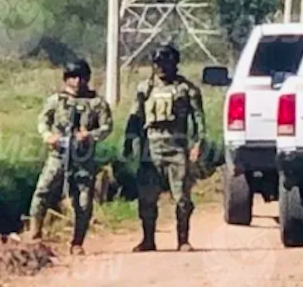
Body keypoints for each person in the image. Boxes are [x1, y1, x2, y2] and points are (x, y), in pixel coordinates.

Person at [29, 60, 113, 255]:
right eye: (73, 77)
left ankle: (77, 242)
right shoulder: (56, 100)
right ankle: (34, 234)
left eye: (81, 77)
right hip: (58, 155)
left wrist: (89, 135)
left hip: (83, 158)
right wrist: (48, 136)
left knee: (83, 200)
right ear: (66, 79)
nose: (77, 82)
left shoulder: (96, 103)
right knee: (42, 191)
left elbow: (107, 127)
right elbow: (43, 120)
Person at [127, 43, 205, 252]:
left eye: (165, 62)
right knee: (147, 198)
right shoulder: (145, 89)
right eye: (157, 63)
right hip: (150, 147)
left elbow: (199, 120)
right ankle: (148, 240)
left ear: (174, 63)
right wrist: (129, 142)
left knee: (182, 198)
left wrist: (198, 144)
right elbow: (135, 118)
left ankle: (183, 240)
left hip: (177, 147)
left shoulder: (187, 89)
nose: (160, 67)